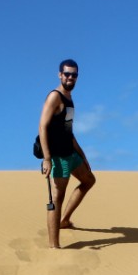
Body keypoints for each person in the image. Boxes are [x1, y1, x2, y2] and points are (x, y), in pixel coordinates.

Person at [38, 59, 96, 248]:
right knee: (57, 197)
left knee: (89, 180)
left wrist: (83, 156)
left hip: (71, 154)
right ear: (60, 75)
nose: (70, 77)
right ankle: (54, 246)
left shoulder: (69, 100)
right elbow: (42, 126)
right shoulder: (54, 97)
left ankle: (65, 220)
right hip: (58, 157)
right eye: (67, 74)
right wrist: (47, 159)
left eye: (74, 75)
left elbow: (68, 131)